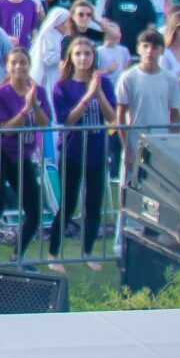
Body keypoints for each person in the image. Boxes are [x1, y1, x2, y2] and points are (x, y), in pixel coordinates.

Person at [49, 37, 117, 268]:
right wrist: (88, 97)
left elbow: (111, 117)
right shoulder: (62, 85)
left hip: (97, 151)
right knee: (67, 205)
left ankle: (87, 252)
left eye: (87, 53)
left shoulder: (103, 82)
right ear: (70, 57)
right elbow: (67, 120)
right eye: (78, 54)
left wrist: (99, 93)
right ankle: (53, 255)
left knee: (94, 204)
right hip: (73, 152)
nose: (83, 58)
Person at [0, 48, 47, 263]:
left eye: (23, 62)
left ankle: (17, 255)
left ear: (29, 65)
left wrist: (34, 104)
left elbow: (44, 123)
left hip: (22, 155)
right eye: (14, 63)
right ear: (7, 67)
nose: (19, 66)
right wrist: (25, 108)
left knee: (34, 210)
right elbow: (7, 129)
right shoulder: (0, 93)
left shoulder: (38, 91)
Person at [115, 28, 180, 181]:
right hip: (136, 141)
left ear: (162, 50)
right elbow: (120, 114)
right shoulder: (128, 77)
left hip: (162, 141)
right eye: (145, 46)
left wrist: (174, 144)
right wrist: (127, 148)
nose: (150, 51)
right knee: (131, 184)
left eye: (155, 47)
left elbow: (175, 114)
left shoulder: (170, 79)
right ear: (138, 48)